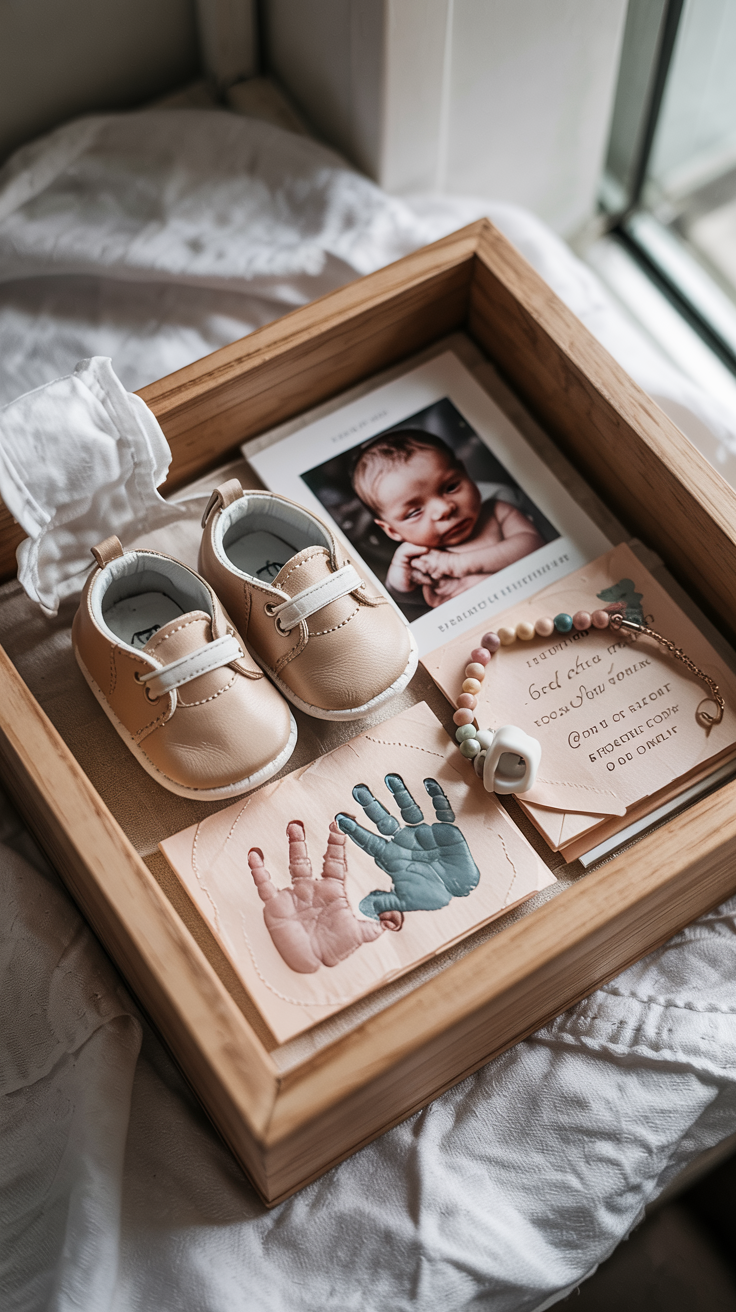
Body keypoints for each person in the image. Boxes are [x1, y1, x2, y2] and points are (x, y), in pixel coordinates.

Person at [351, 429, 544, 608]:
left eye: (451, 487)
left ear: (464, 472)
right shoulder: (419, 559)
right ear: (392, 530)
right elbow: (412, 606)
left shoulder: (497, 511)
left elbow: (533, 545)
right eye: (414, 512)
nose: (444, 509)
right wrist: (398, 586)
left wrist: (456, 564)